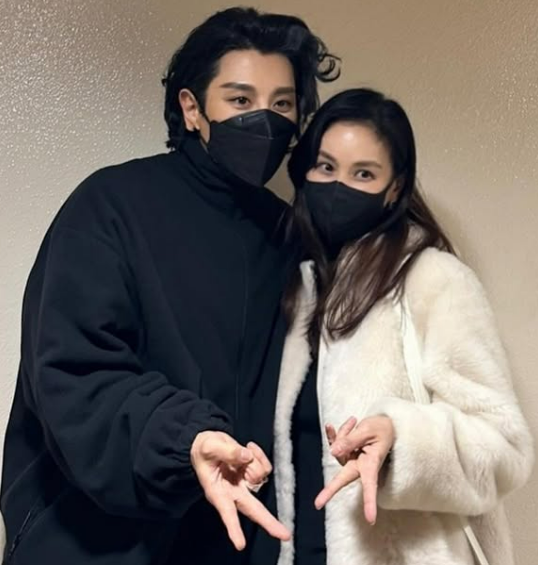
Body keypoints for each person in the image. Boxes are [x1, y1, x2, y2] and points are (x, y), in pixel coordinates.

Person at [0, 7, 339, 565]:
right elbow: (74, 375)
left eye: (282, 104)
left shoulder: (291, 237)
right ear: (192, 108)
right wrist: (187, 441)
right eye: (240, 99)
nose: (264, 120)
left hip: (235, 544)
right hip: (97, 543)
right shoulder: (111, 206)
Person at [274, 88, 534, 565]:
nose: (339, 186)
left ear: (394, 189)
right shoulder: (297, 287)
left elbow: (505, 450)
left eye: (363, 174)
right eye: (326, 167)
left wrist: (401, 439)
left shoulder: (432, 280)